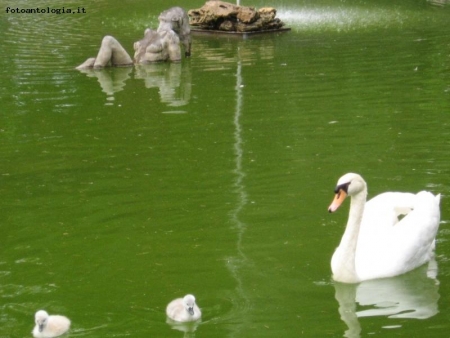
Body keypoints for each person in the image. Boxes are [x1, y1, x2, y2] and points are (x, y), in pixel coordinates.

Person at [76, 28, 181, 69]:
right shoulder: (149, 32)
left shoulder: (170, 38)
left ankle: (95, 69)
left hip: (135, 70)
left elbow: (176, 63)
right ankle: (92, 69)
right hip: (131, 65)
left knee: (91, 62)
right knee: (108, 40)